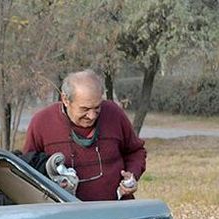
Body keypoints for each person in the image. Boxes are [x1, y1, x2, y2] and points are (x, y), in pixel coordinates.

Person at [23, 69, 146, 201]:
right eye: (85, 109)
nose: (92, 116)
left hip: (116, 211)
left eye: (97, 107)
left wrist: (132, 175)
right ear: (65, 99)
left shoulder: (114, 113)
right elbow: (28, 168)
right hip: (66, 215)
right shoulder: (42, 122)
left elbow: (136, 151)